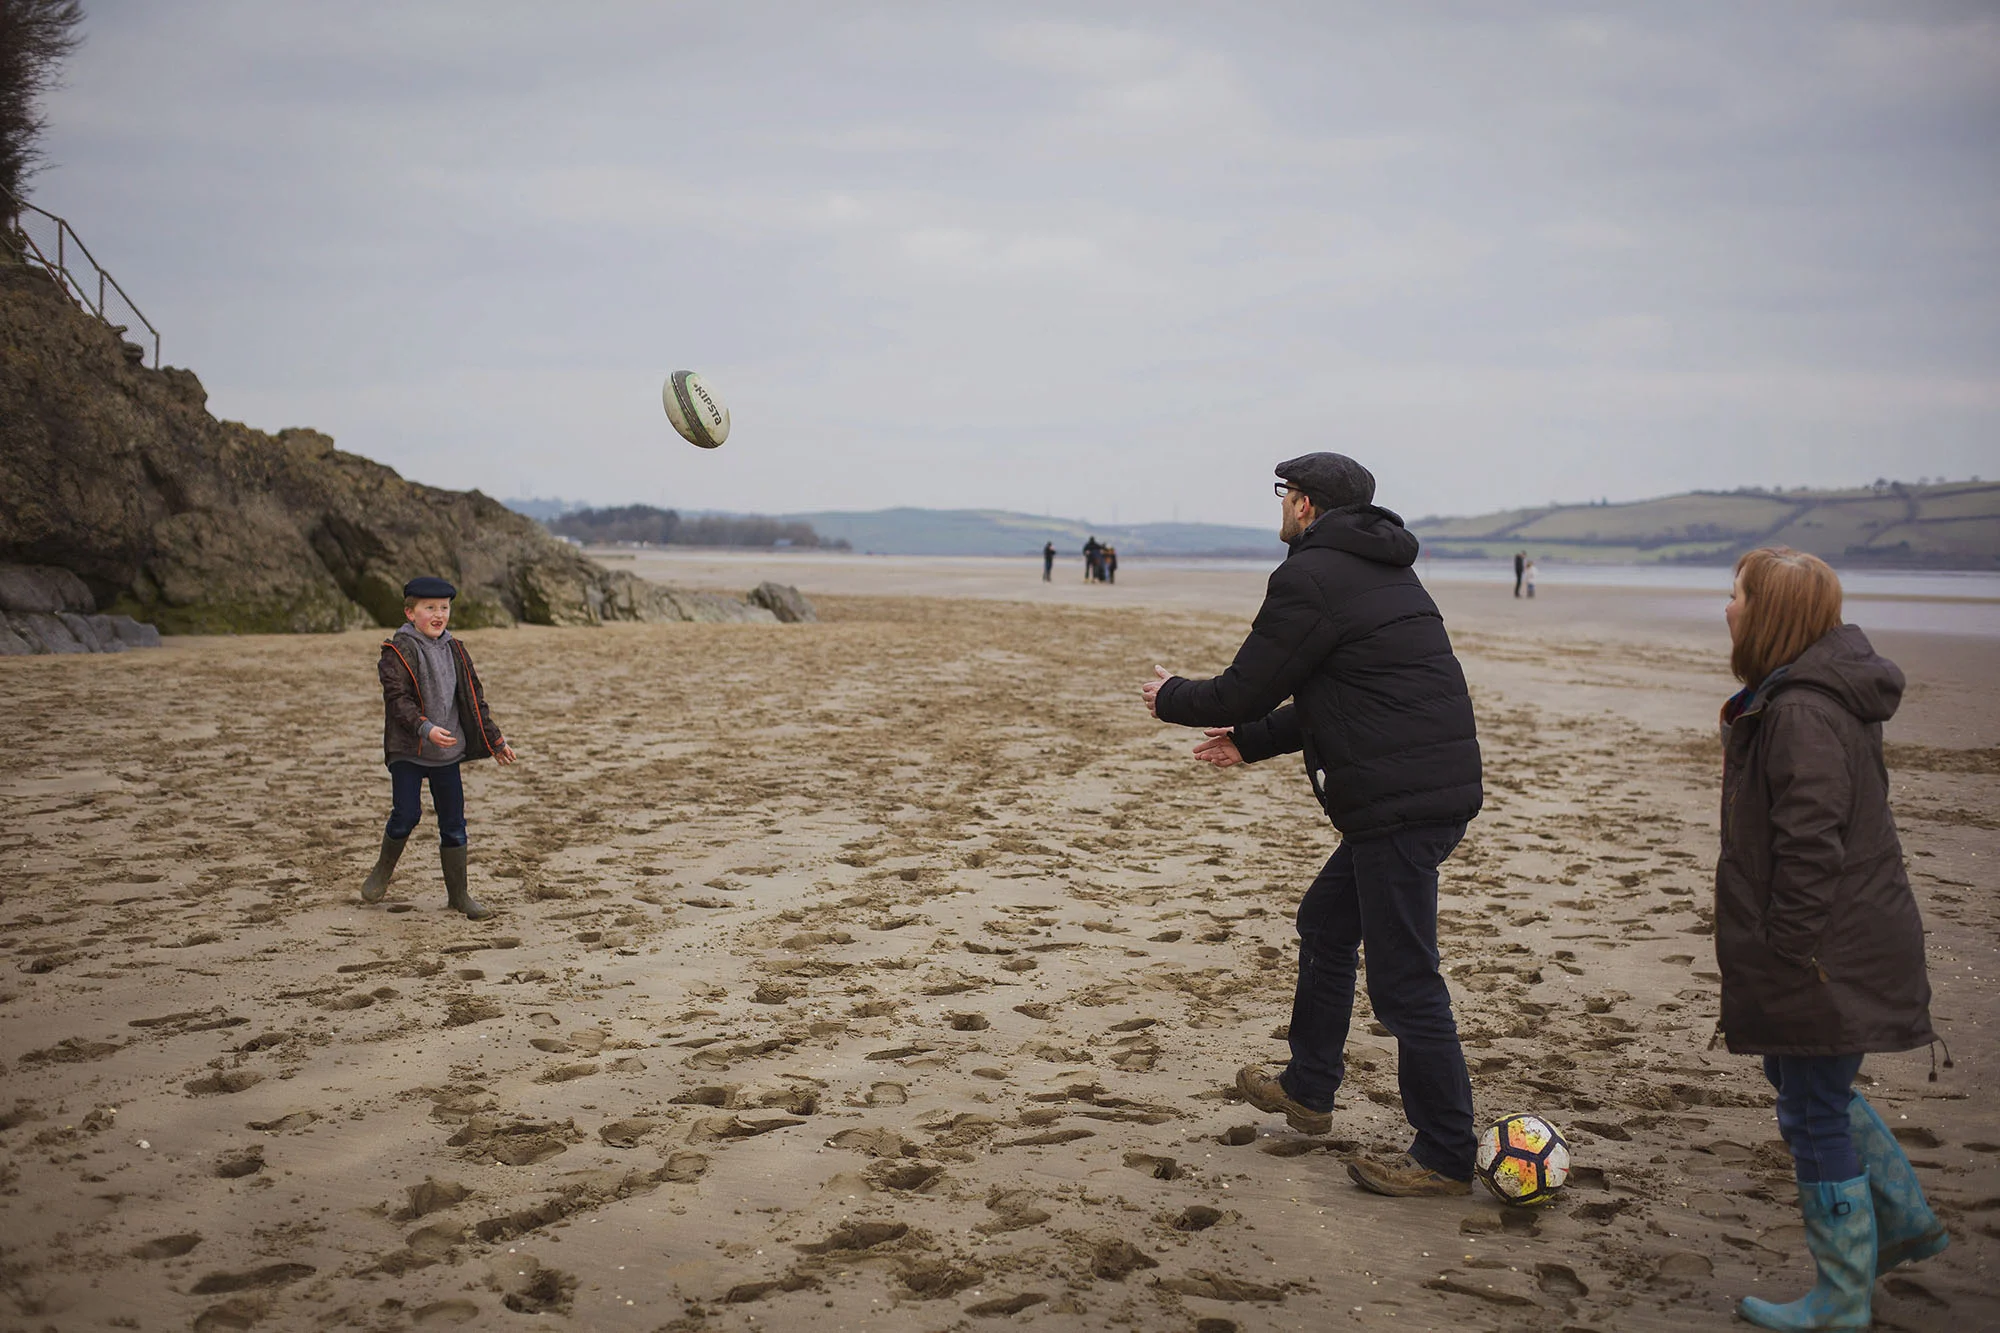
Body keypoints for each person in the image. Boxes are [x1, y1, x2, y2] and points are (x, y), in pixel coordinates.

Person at [1141, 453, 1484, 1197]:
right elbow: (1337, 697)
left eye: (1284, 495)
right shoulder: (1385, 569)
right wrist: (1251, 739)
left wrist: (1171, 695)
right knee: (1328, 925)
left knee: (1405, 984)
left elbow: (1248, 684)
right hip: (1427, 789)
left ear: (1302, 504)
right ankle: (1308, 1086)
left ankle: (1448, 1155)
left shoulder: (1310, 576)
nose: (1283, 506)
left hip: (1401, 802)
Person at [1715, 548, 1945, 1330]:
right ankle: (1902, 1220)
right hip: (1832, 946)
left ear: (1771, 613)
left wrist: (1786, 953)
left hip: (1824, 953)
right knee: (1806, 1087)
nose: (1728, 606)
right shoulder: (1793, 697)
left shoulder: (1803, 711)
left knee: (1811, 1107)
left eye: (1738, 594)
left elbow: (1812, 846)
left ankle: (1840, 1299)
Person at [361, 576, 518, 920]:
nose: (438, 614)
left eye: (444, 608)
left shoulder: (456, 649)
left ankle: (459, 896)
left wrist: (495, 740)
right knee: (407, 814)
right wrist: (425, 728)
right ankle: (382, 872)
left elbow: (475, 700)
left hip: (447, 752)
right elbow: (397, 700)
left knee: (454, 823)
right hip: (409, 749)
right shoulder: (397, 651)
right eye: (429, 608)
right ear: (410, 612)